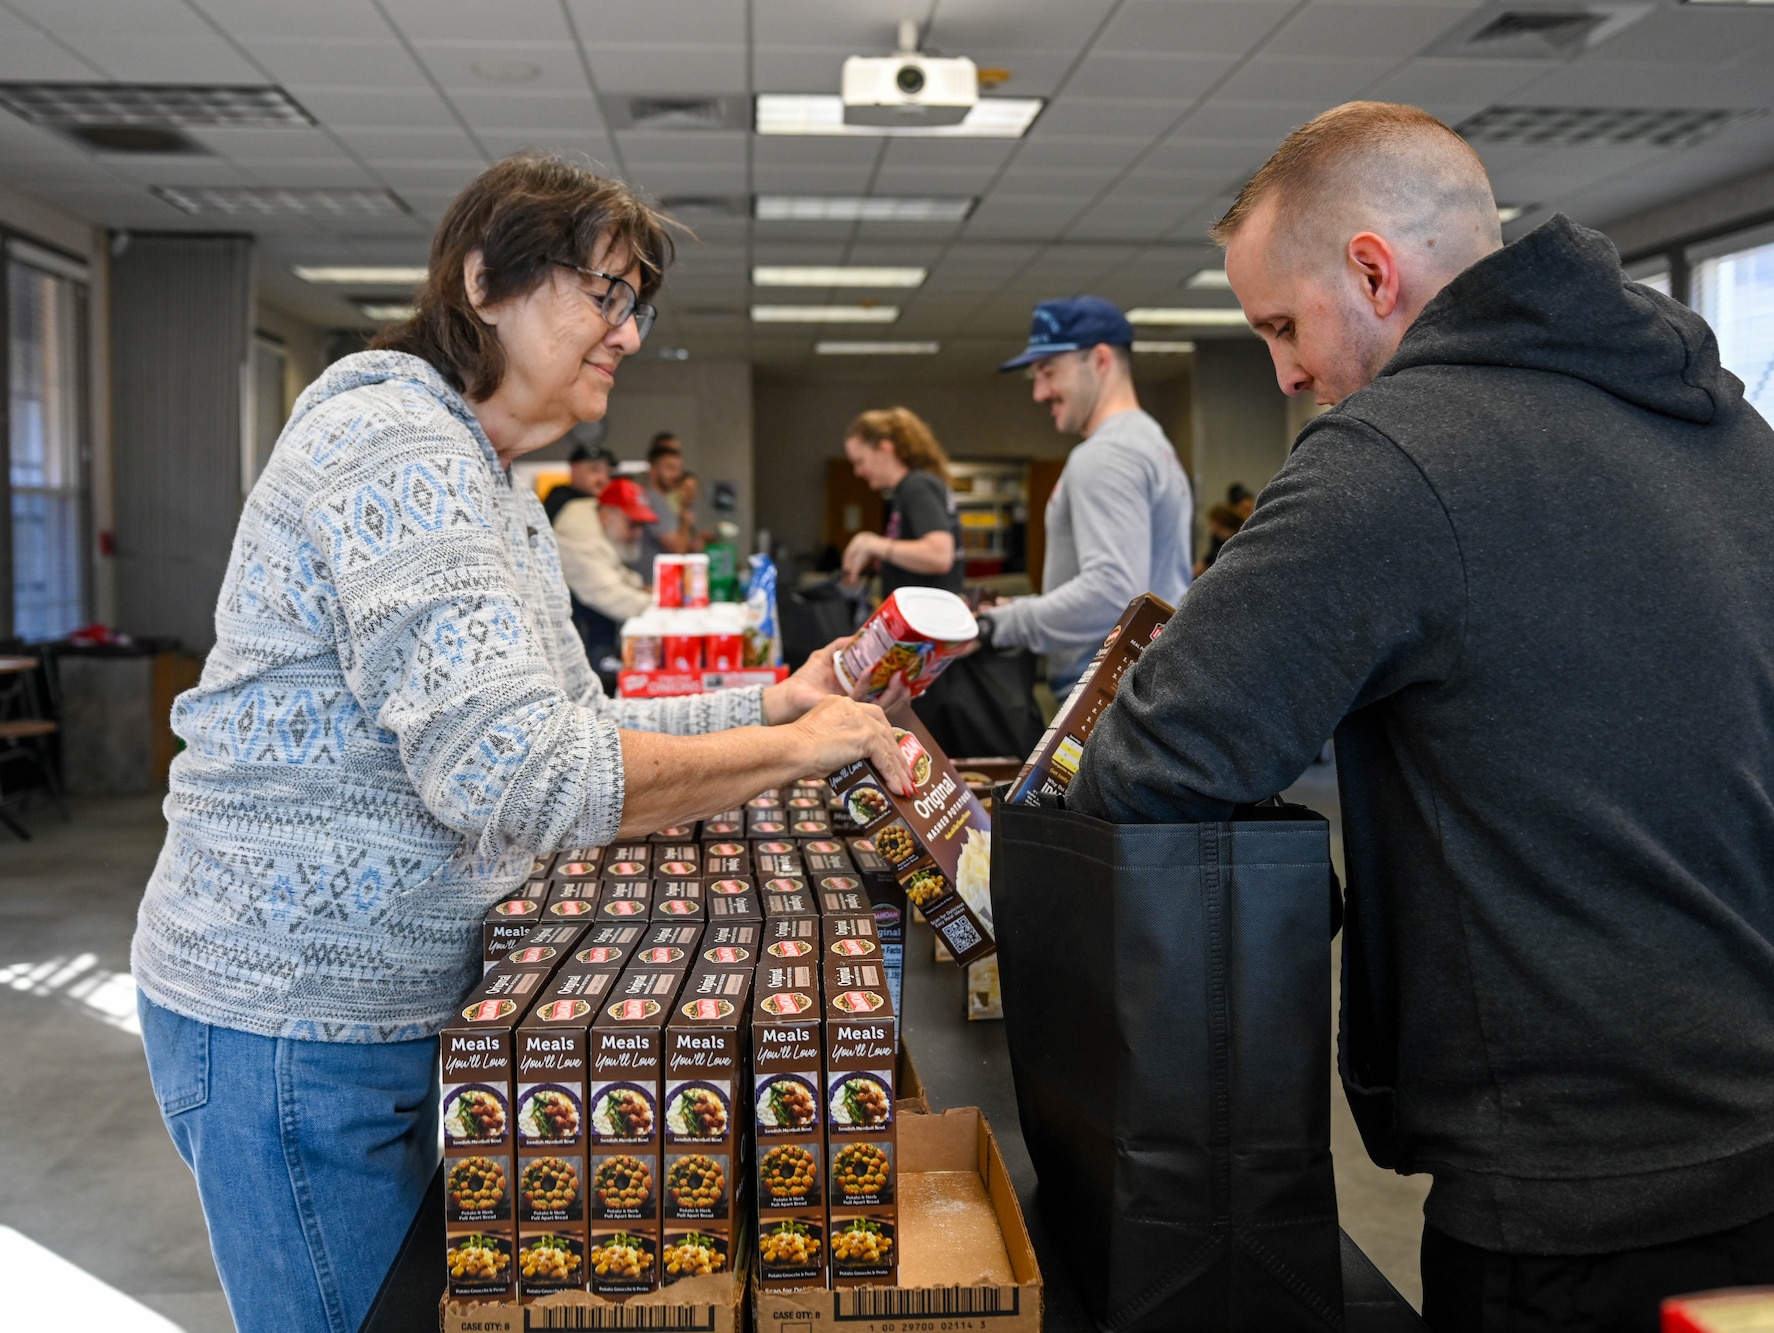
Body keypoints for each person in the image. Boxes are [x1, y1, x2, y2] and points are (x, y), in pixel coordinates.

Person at [1067, 102, 1774, 1329]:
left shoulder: (1388, 457)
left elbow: (1148, 758)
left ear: (1374, 274)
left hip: (1584, 1206)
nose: (1283, 371)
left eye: (1281, 326)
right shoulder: (1735, 427)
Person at [128, 152, 909, 1333]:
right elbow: (525, 777)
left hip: (370, 1011)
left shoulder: (486, 477)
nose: (629, 333)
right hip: (288, 1016)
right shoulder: (396, 445)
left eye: (636, 305)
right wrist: (797, 755)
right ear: (484, 281)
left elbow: (565, 722)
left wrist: (764, 705)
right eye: (606, 293)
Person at [981, 297, 1192, 695]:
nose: (1039, 392)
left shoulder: (1106, 454)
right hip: (1143, 682)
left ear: (1099, 361)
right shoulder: (1150, 440)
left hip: (1107, 693)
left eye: (1048, 371)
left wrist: (997, 625)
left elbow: (1112, 591)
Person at [840, 406, 964, 597]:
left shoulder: (916, 486)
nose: (858, 472)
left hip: (927, 619)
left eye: (860, 461)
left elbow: (939, 555)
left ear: (885, 449)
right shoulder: (912, 488)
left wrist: (873, 544)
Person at [555, 474, 658, 675]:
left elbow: (617, 572)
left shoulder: (599, 535)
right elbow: (613, 596)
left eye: (641, 526)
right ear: (606, 514)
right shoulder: (577, 541)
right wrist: (660, 605)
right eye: (632, 524)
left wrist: (642, 588)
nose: (638, 534)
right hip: (577, 658)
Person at [636, 430, 697, 565]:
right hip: (652, 582)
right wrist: (685, 515)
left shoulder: (662, 500)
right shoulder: (652, 500)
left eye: (678, 468)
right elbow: (678, 549)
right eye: (670, 468)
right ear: (652, 469)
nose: (676, 474)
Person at [543, 438, 614, 522]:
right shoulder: (559, 500)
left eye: (607, 472)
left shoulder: (610, 500)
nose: (602, 478)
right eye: (594, 469)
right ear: (574, 469)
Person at [1193, 501, 1245, 576]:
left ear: (1217, 522)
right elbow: (1205, 561)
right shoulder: (1216, 539)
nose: (1209, 525)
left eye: (1211, 521)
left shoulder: (1237, 540)